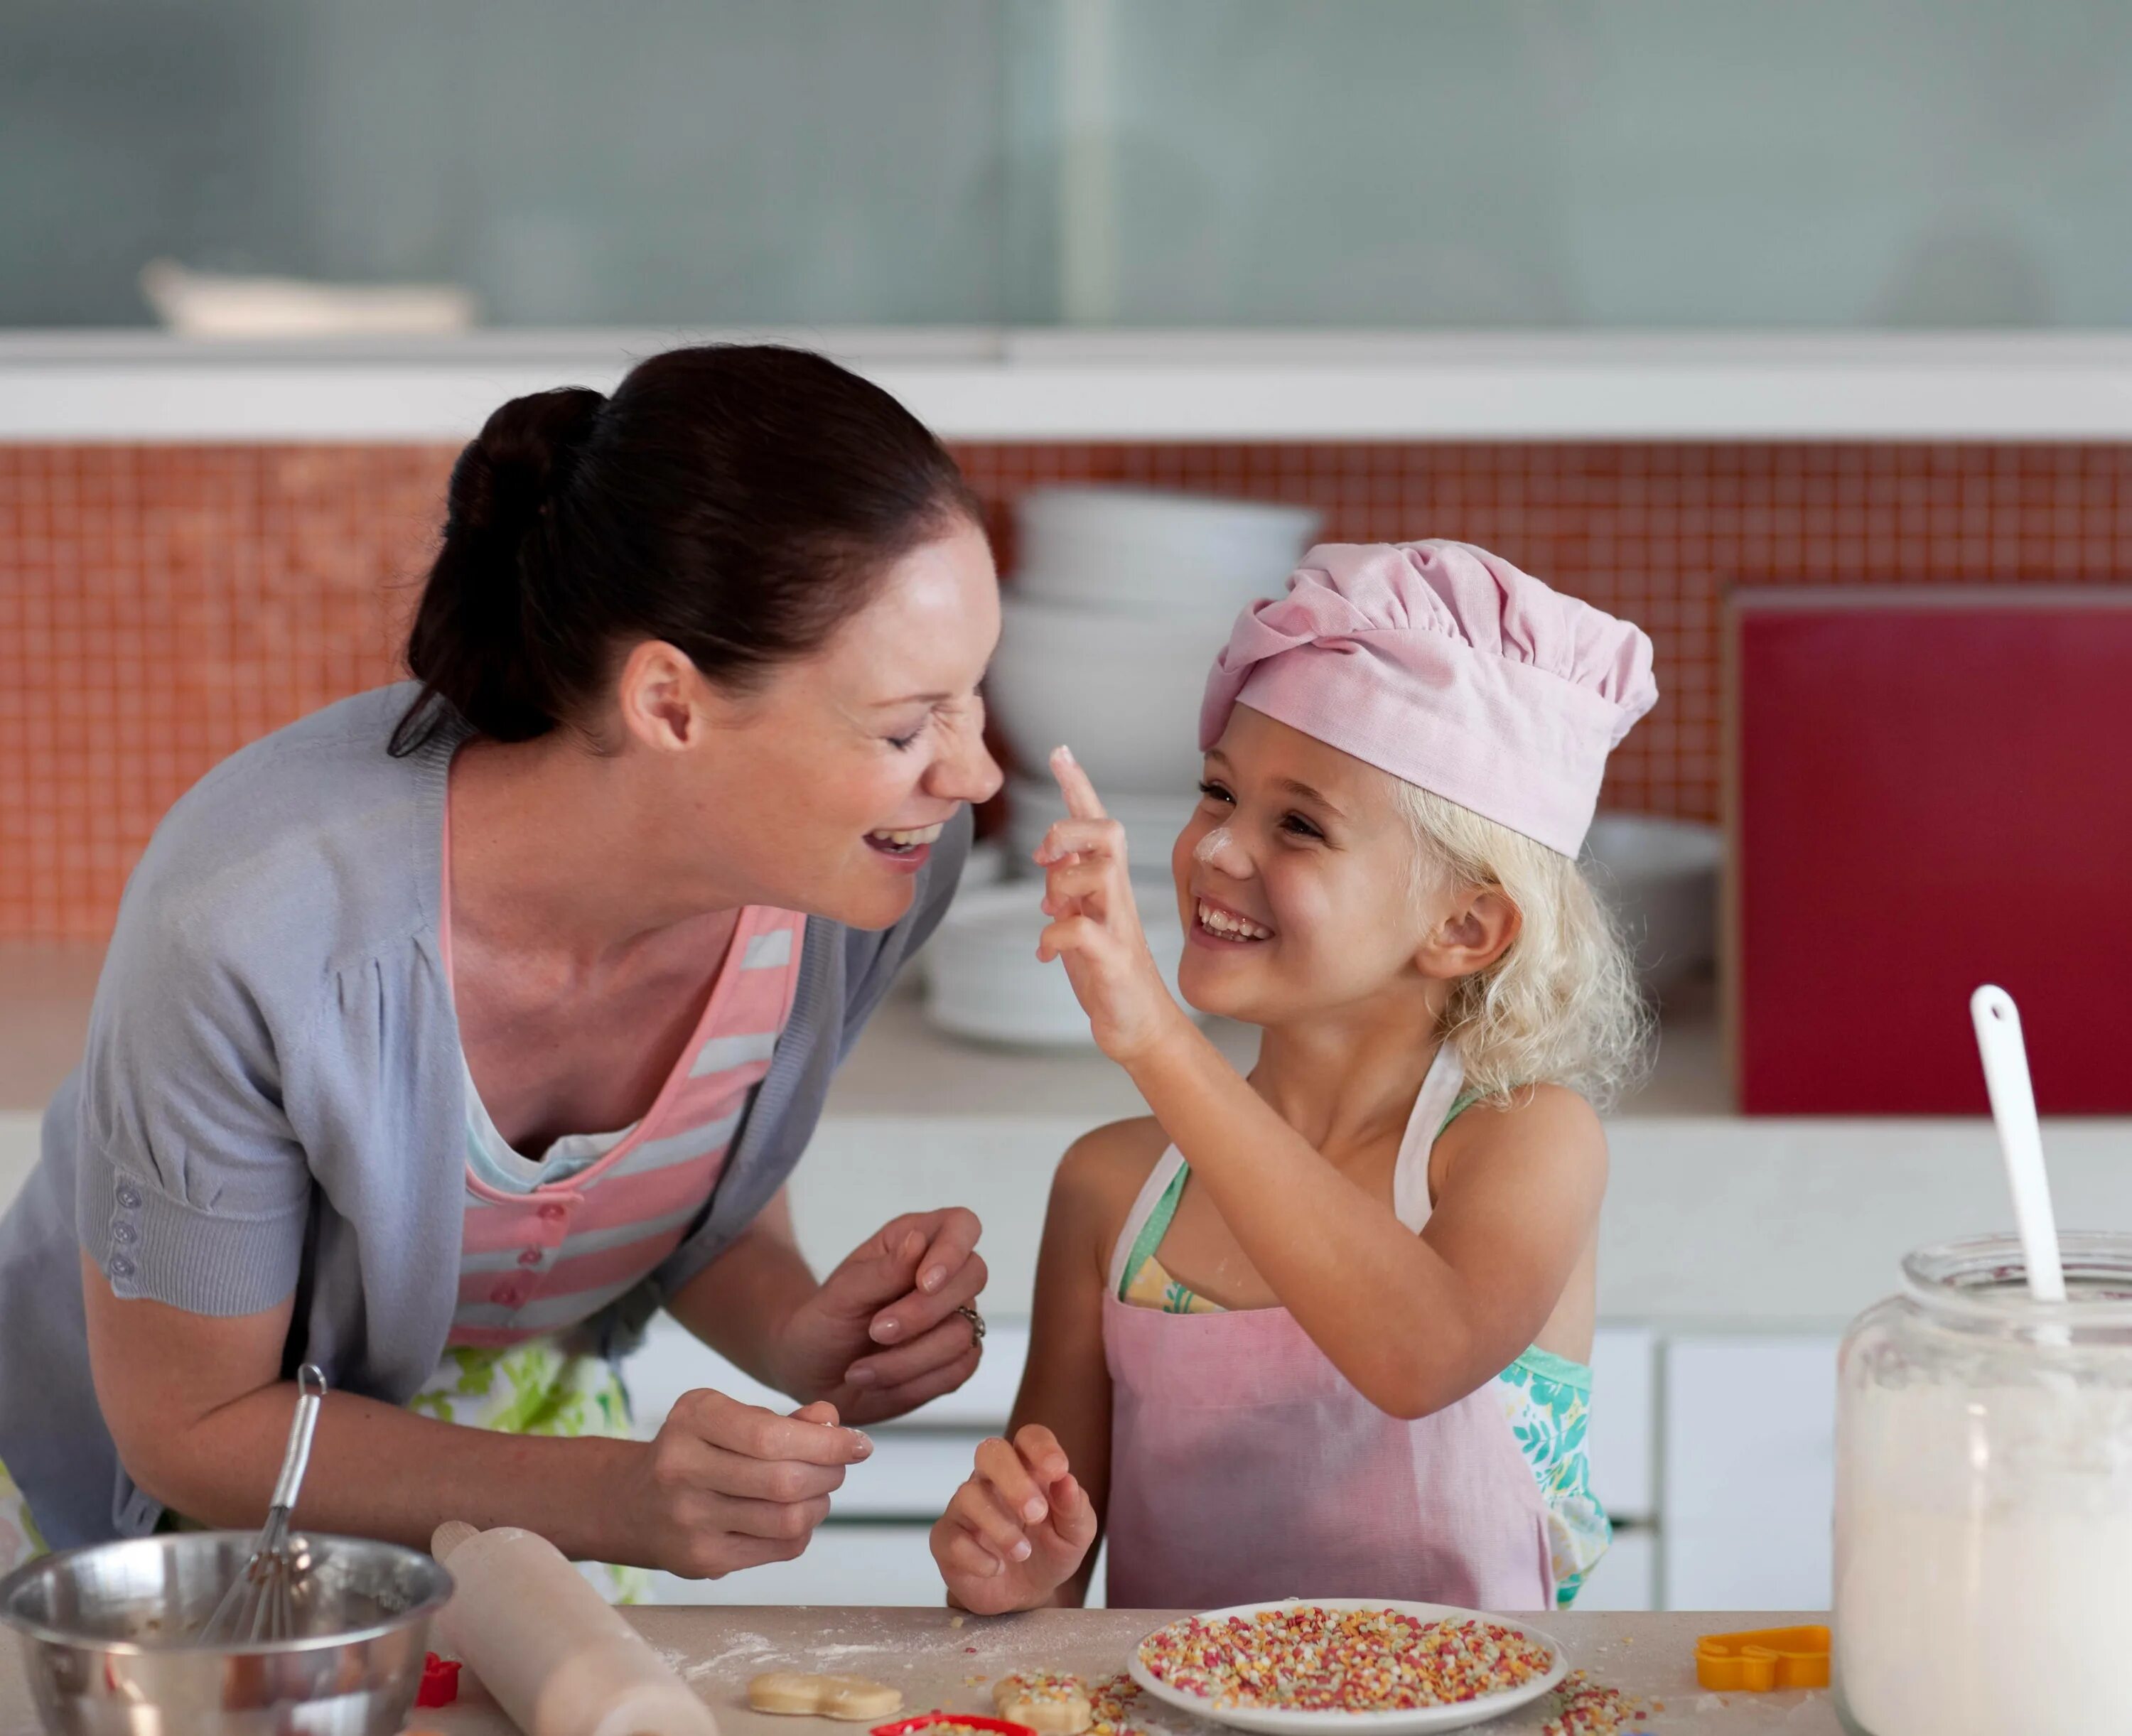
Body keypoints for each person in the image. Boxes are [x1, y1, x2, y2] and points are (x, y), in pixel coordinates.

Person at [0, 345, 1004, 1591]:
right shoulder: (257, 934)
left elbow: (679, 1201)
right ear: (670, 705)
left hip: (526, 1444)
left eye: (972, 699)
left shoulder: (864, 875)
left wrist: (809, 1337)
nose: (973, 776)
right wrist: (621, 1499)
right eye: (909, 725)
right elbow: (193, 1428)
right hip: (168, 1499)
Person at [930, 539, 1657, 1612]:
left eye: (1299, 825)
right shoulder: (1110, 1193)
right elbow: (1044, 1588)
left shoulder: (1524, 1141)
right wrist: (1009, 1567)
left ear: (1465, 925)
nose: (1219, 850)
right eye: (1218, 794)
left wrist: (1155, 1039)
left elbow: (1420, 1353)